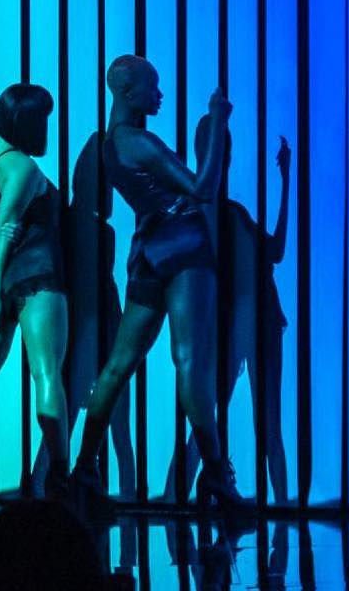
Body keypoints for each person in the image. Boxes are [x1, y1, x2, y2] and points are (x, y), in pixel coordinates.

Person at [69, 56, 250, 511]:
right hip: (184, 244)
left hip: (147, 249)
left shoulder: (111, 145)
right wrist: (217, 121)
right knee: (189, 360)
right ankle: (217, 477)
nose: (160, 94)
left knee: (118, 364)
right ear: (127, 92)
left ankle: (84, 470)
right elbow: (202, 188)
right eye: (153, 87)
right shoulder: (140, 142)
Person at [164, 125, 290, 504]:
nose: (224, 160)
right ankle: (280, 510)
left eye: (226, 152)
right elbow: (274, 253)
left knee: (229, 420)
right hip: (241, 325)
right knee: (224, 419)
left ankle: (176, 499)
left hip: (255, 323)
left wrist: (286, 183)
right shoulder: (204, 214)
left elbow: (275, 251)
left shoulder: (224, 213)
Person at [0, 84, 69, 502]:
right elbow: (9, 225)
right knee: (46, 373)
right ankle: (60, 479)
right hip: (34, 275)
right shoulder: (21, 166)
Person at [32, 134, 135, 500]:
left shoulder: (67, 221)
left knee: (70, 418)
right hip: (100, 328)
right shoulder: (96, 230)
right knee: (115, 426)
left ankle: (43, 489)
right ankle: (123, 498)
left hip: (87, 327)